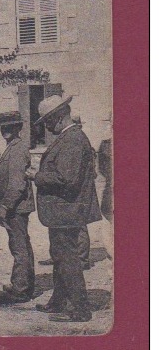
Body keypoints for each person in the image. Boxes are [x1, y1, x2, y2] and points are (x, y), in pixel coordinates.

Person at [30, 95, 101, 323]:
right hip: (63, 211)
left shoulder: (71, 140)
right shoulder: (70, 137)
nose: (47, 128)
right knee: (60, 255)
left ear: (59, 118)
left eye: (47, 122)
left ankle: (80, 309)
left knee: (67, 258)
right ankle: (59, 301)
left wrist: (36, 176)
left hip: (66, 211)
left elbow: (66, 178)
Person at [0, 111, 35, 303]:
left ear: (18, 128)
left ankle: (21, 289)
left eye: (9, 126)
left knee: (19, 246)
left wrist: (5, 207)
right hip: (14, 206)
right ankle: (21, 283)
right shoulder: (12, 147)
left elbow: (17, 184)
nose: (5, 130)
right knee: (19, 244)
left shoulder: (17, 149)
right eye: (3, 127)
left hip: (16, 207)